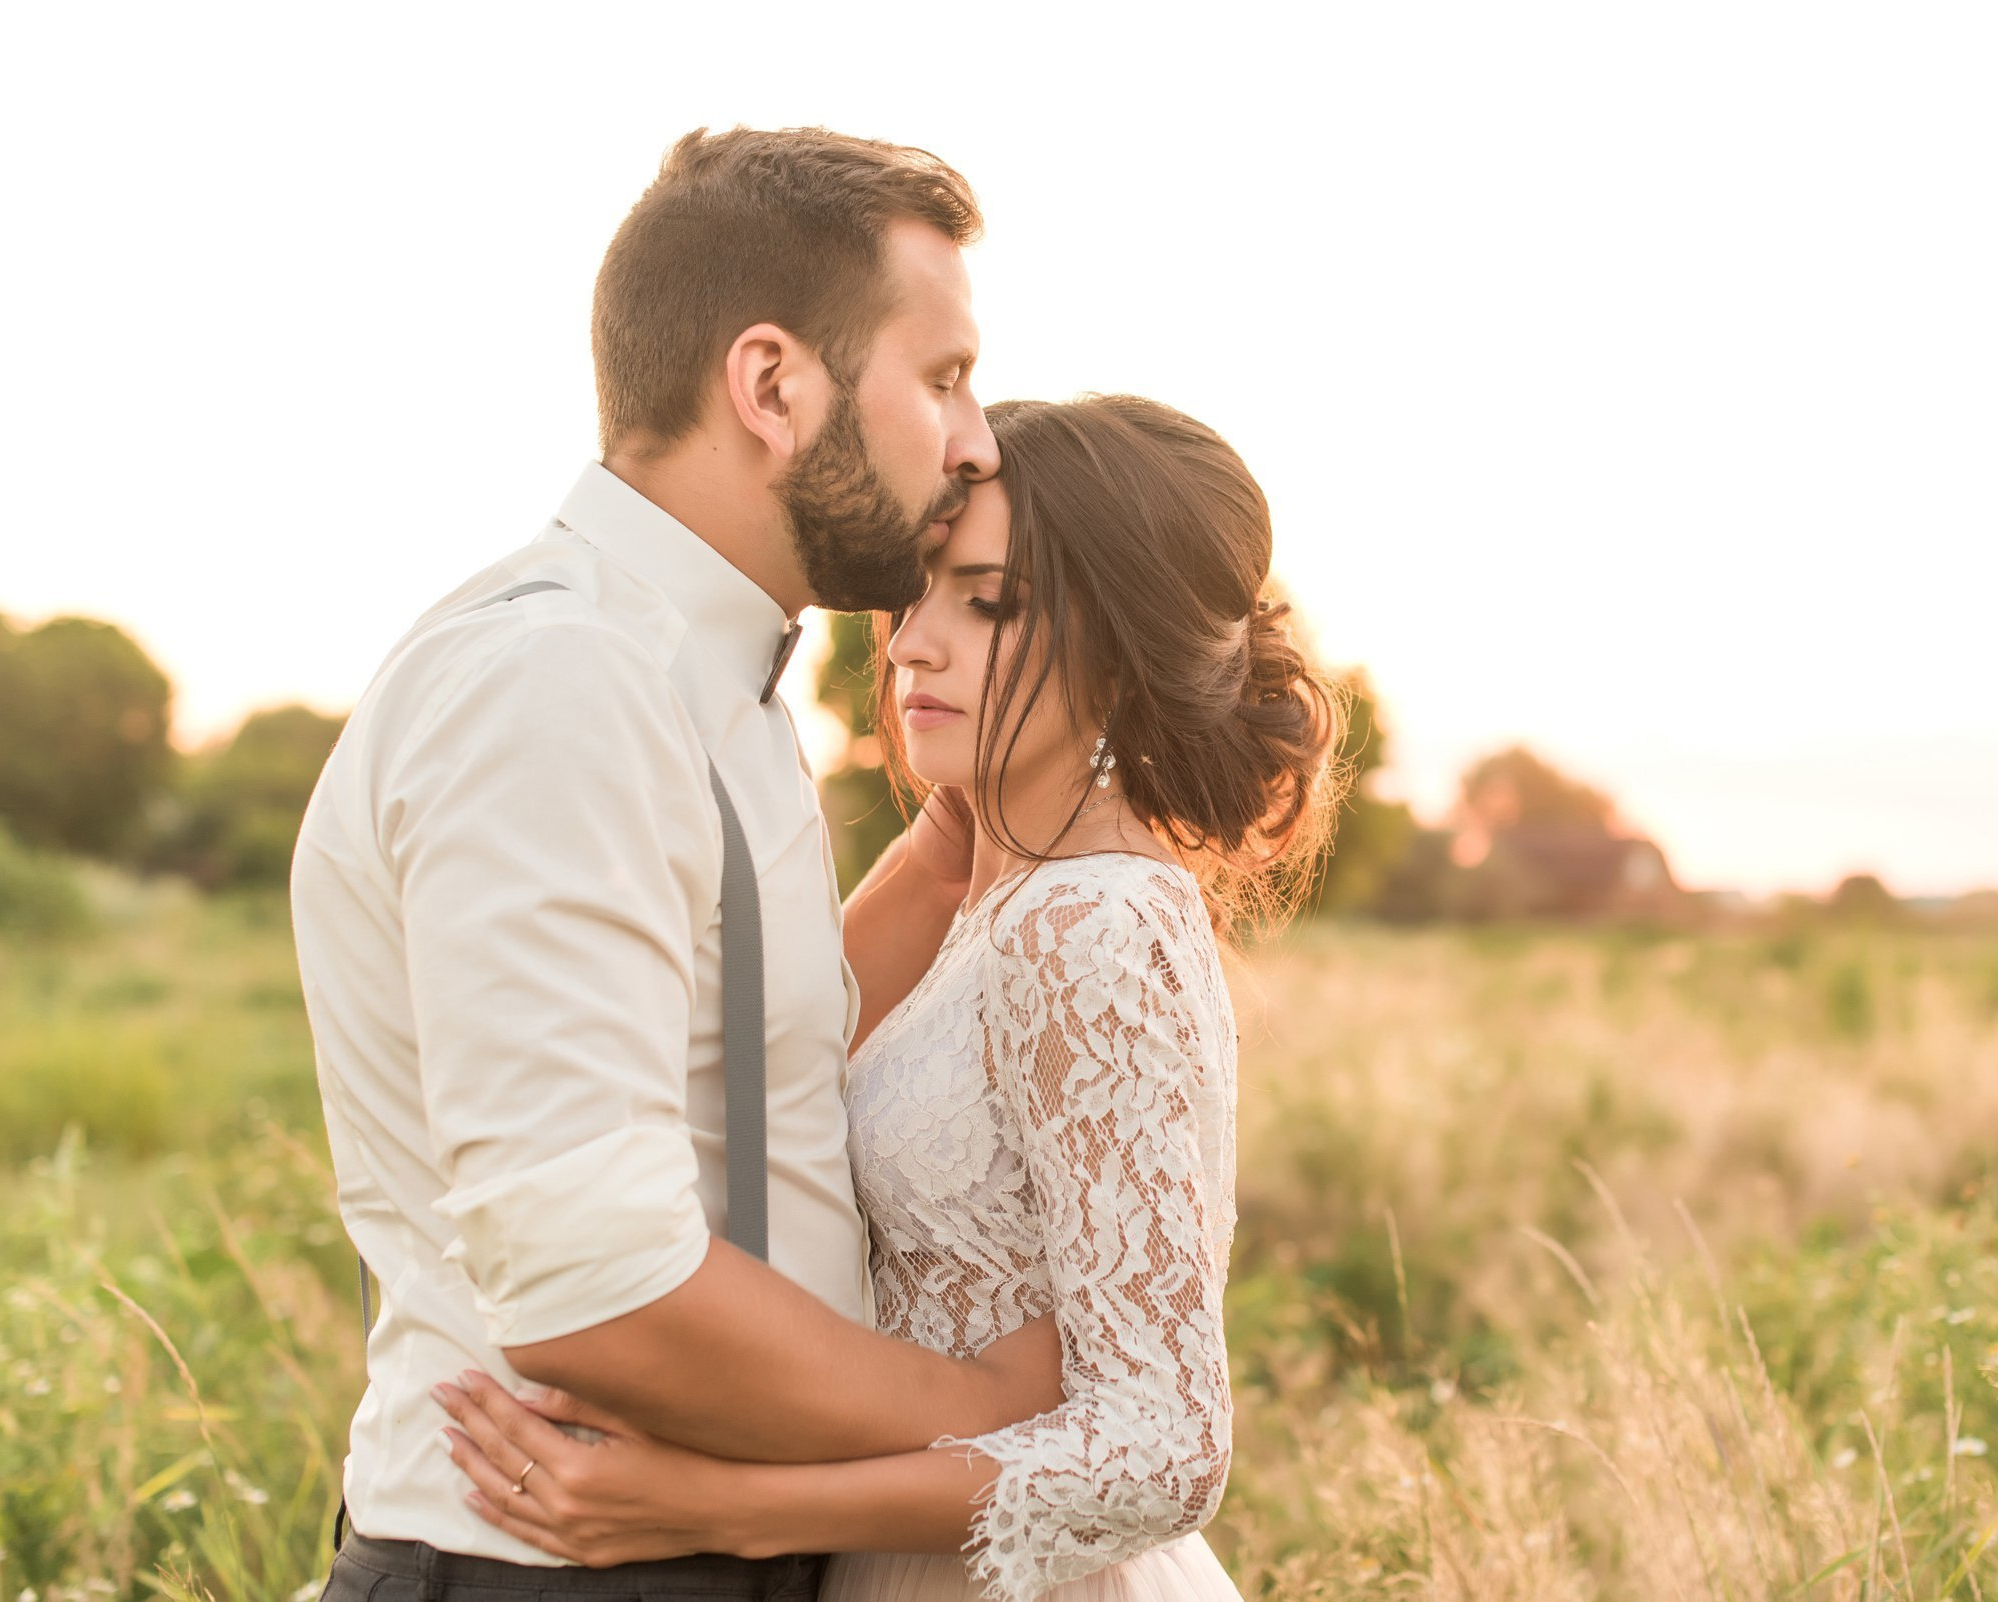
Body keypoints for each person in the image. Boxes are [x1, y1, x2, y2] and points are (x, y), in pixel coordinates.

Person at [291, 127, 1068, 1602]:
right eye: (945, 376)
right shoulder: (558, 681)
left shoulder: (718, 689)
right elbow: (604, 1290)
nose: (976, 440)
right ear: (772, 386)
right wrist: (996, 1407)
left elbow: (747, 1071)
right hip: (553, 1563)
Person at [435, 394, 1346, 1601]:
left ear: (1125, 650)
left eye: (990, 602)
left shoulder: (1097, 925)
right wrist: (951, 830)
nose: (913, 642)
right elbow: (780, 1066)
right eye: (918, 592)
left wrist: (719, 1508)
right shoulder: (1003, 904)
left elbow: (1164, 1450)